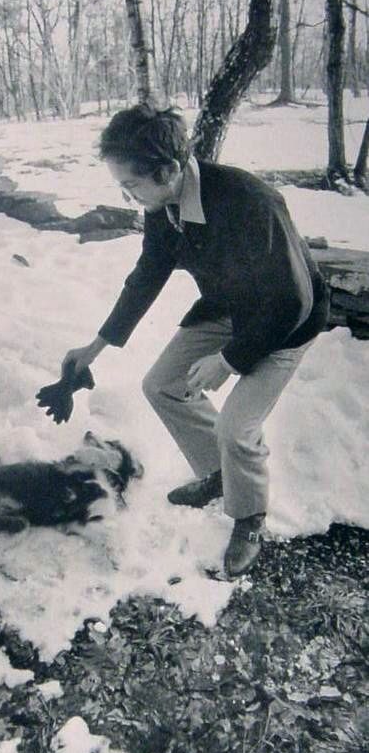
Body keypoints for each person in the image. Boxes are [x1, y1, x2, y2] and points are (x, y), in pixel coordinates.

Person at [61, 103, 329, 578]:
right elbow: (146, 277)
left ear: (168, 169)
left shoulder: (250, 201)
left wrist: (229, 360)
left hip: (286, 321)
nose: (128, 196)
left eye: (132, 185)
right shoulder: (162, 206)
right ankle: (223, 475)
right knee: (161, 384)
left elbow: (293, 300)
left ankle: (249, 518)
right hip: (227, 308)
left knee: (236, 427)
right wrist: (94, 348)